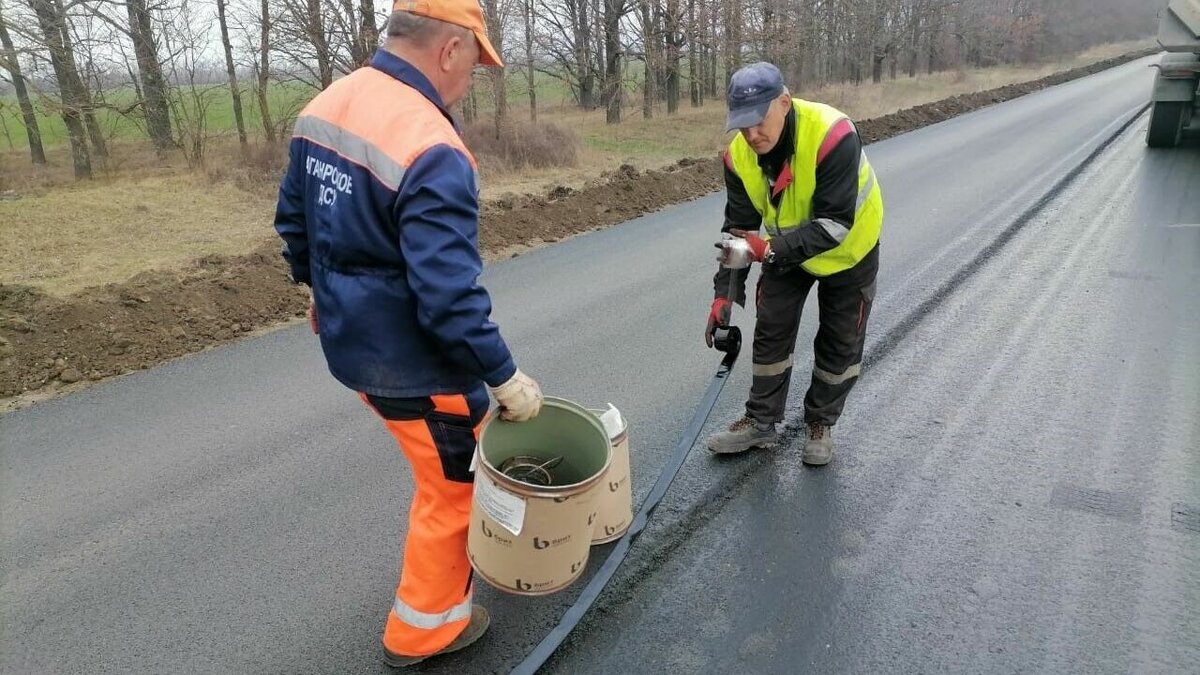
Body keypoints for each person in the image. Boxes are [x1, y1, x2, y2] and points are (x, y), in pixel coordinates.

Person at [272, 0, 542, 667]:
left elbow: (294, 222)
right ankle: (423, 630)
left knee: (441, 464)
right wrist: (505, 376)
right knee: (456, 484)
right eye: (473, 64)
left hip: (349, 345)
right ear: (449, 49)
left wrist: (316, 291)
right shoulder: (431, 144)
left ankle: (459, 582)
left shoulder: (328, 104)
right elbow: (449, 297)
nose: (469, 80)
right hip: (412, 365)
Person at [705, 61, 883, 467]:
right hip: (785, 250)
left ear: (784, 103)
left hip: (848, 250)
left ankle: (820, 423)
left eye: (759, 121)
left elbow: (835, 224)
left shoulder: (832, 135)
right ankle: (761, 422)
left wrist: (766, 250)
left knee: (840, 341)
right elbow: (739, 231)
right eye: (742, 126)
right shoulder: (739, 157)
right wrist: (724, 295)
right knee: (772, 329)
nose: (752, 135)